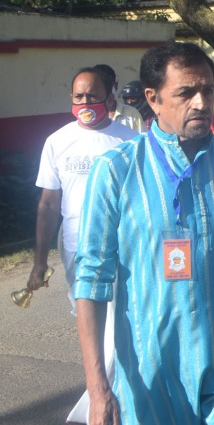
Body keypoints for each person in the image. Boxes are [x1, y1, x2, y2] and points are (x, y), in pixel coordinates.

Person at [74, 42, 214, 425]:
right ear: (153, 98)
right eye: (186, 93)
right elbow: (91, 281)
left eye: (207, 89)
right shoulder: (115, 172)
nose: (201, 102)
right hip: (154, 368)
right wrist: (98, 389)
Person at [22, 68, 136, 314]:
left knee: (121, 315)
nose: (85, 102)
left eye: (92, 95)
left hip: (122, 247)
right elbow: (48, 205)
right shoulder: (57, 141)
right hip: (77, 247)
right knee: (87, 315)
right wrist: (39, 261)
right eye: (79, 96)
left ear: (109, 98)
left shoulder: (131, 142)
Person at [93, 64, 144, 133]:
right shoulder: (88, 117)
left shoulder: (132, 114)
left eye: (107, 85)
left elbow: (142, 141)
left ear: (115, 86)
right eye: (98, 87)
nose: (103, 91)